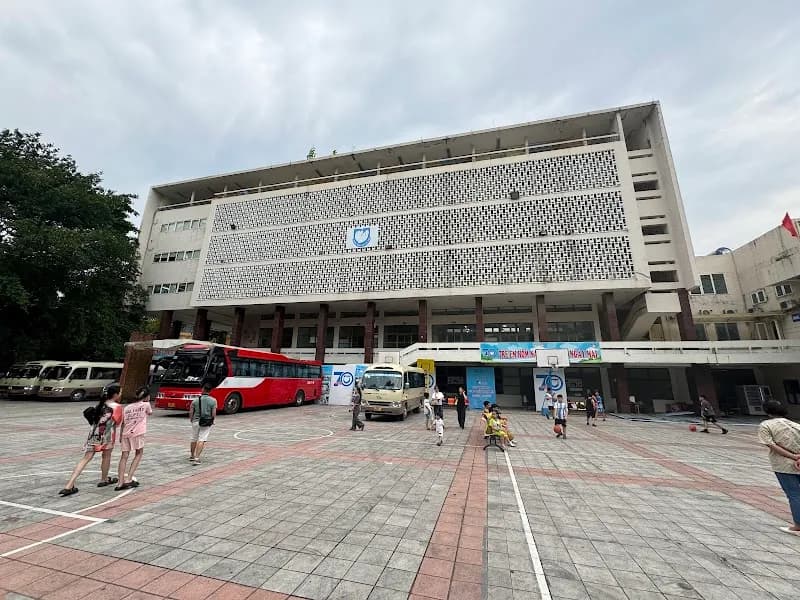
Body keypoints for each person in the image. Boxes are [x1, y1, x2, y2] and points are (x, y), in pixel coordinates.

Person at [59, 384, 123, 496]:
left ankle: (69, 485)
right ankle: (104, 479)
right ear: (116, 394)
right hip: (107, 435)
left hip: (93, 434)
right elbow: (117, 423)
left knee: (86, 458)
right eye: (120, 392)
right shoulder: (117, 407)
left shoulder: (101, 404)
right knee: (106, 457)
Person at [757, 400, 800, 535]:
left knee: (794, 494)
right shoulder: (795, 425)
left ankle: (798, 525)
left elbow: (771, 445)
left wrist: (794, 457)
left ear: (767, 412)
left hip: (783, 465)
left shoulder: (766, 425)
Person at [115, 386, 153, 490]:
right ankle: (129, 478)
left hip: (125, 434)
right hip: (138, 433)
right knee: (139, 453)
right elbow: (150, 412)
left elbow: (123, 423)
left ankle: (120, 482)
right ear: (146, 396)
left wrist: (121, 435)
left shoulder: (127, 407)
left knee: (124, 457)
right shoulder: (146, 405)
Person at [189, 383, 217, 464]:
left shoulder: (195, 400)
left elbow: (191, 412)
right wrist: (212, 420)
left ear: (203, 389)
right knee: (201, 439)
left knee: (194, 438)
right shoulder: (213, 400)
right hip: (206, 422)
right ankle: (197, 458)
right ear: (210, 390)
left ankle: (192, 456)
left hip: (196, 421)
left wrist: (191, 419)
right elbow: (213, 413)